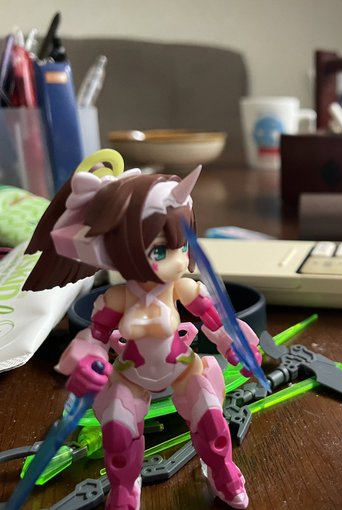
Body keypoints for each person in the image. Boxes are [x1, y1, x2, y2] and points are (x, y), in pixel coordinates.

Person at [23, 149, 261, 509]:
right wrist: (87, 362)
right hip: (131, 373)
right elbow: (95, 337)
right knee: (118, 436)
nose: (178, 260)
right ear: (119, 249)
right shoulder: (117, 298)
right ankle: (124, 488)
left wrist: (235, 345)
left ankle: (221, 470)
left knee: (213, 421)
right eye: (161, 250)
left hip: (181, 366)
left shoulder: (184, 288)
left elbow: (217, 323)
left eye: (183, 244)